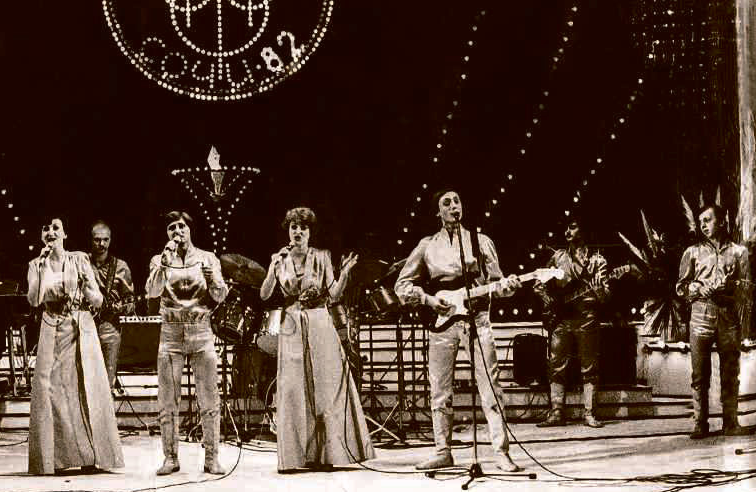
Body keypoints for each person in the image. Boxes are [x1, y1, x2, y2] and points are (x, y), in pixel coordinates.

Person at [394, 189, 521, 472]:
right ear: (437, 212)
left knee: (490, 387)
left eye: (457, 201)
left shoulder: (480, 241)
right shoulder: (427, 245)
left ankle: (501, 452)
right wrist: (427, 300)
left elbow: (498, 284)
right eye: (447, 203)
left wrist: (509, 287)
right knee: (440, 389)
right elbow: (401, 285)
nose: (454, 206)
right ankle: (443, 451)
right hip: (442, 323)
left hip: (477, 320)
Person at [259, 207, 374, 472]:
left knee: (325, 386)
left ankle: (326, 454)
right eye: (294, 227)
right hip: (292, 324)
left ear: (310, 232)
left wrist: (345, 273)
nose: (298, 231)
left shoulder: (322, 257)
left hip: (320, 321)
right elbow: (264, 294)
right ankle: (294, 456)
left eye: (303, 227)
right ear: (288, 231)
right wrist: (272, 268)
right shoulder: (280, 259)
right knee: (292, 388)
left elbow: (334, 294)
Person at [26, 217, 124, 475]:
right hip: (51, 328)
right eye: (45, 229)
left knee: (86, 388)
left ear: (65, 234)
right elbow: (34, 300)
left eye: (55, 228)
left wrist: (86, 285)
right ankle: (58, 459)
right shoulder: (36, 264)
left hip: (81, 327)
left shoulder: (79, 259)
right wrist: (41, 268)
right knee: (53, 393)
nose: (50, 232)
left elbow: (98, 300)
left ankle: (90, 456)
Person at [146, 211, 228, 475]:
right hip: (171, 332)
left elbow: (221, 295)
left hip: (200, 330)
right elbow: (152, 292)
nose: (177, 231)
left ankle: (212, 458)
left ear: (190, 230)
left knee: (209, 398)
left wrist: (212, 278)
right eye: (172, 228)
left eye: (181, 226)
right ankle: (170, 457)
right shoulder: (159, 259)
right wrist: (163, 264)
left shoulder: (207, 258)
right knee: (168, 400)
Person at [676, 204, 752, 438]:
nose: (703, 225)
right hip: (700, 317)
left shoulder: (740, 252)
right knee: (699, 375)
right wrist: (697, 288)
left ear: (721, 221)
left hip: (728, 318)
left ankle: (731, 422)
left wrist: (731, 285)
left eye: (708, 220)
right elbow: (680, 287)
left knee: (730, 372)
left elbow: (748, 287)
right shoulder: (692, 252)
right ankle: (700, 423)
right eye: (701, 221)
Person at [534, 217, 609, 429]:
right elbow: (538, 284)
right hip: (562, 318)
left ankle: (590, 413)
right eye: (566, 227)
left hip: (587, 317)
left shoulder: (597, 261)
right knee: (556, 364)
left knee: (589, 365)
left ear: (583, 230)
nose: (567, 231)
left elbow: (605, 296)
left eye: (573, 227)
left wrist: (599, 290)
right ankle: (557, 411)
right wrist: (549, 301)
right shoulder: (558, 257)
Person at [88, 220, 135, 391]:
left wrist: (120, 307)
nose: (101, 244)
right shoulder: (82, 263)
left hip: (109, 328)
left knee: (106, 384)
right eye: (97, 239)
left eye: (105, 240)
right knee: (86, 382)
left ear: (110, 240)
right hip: (85, 327)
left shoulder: (121, 266)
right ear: (91, 240)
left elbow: (130, 302)